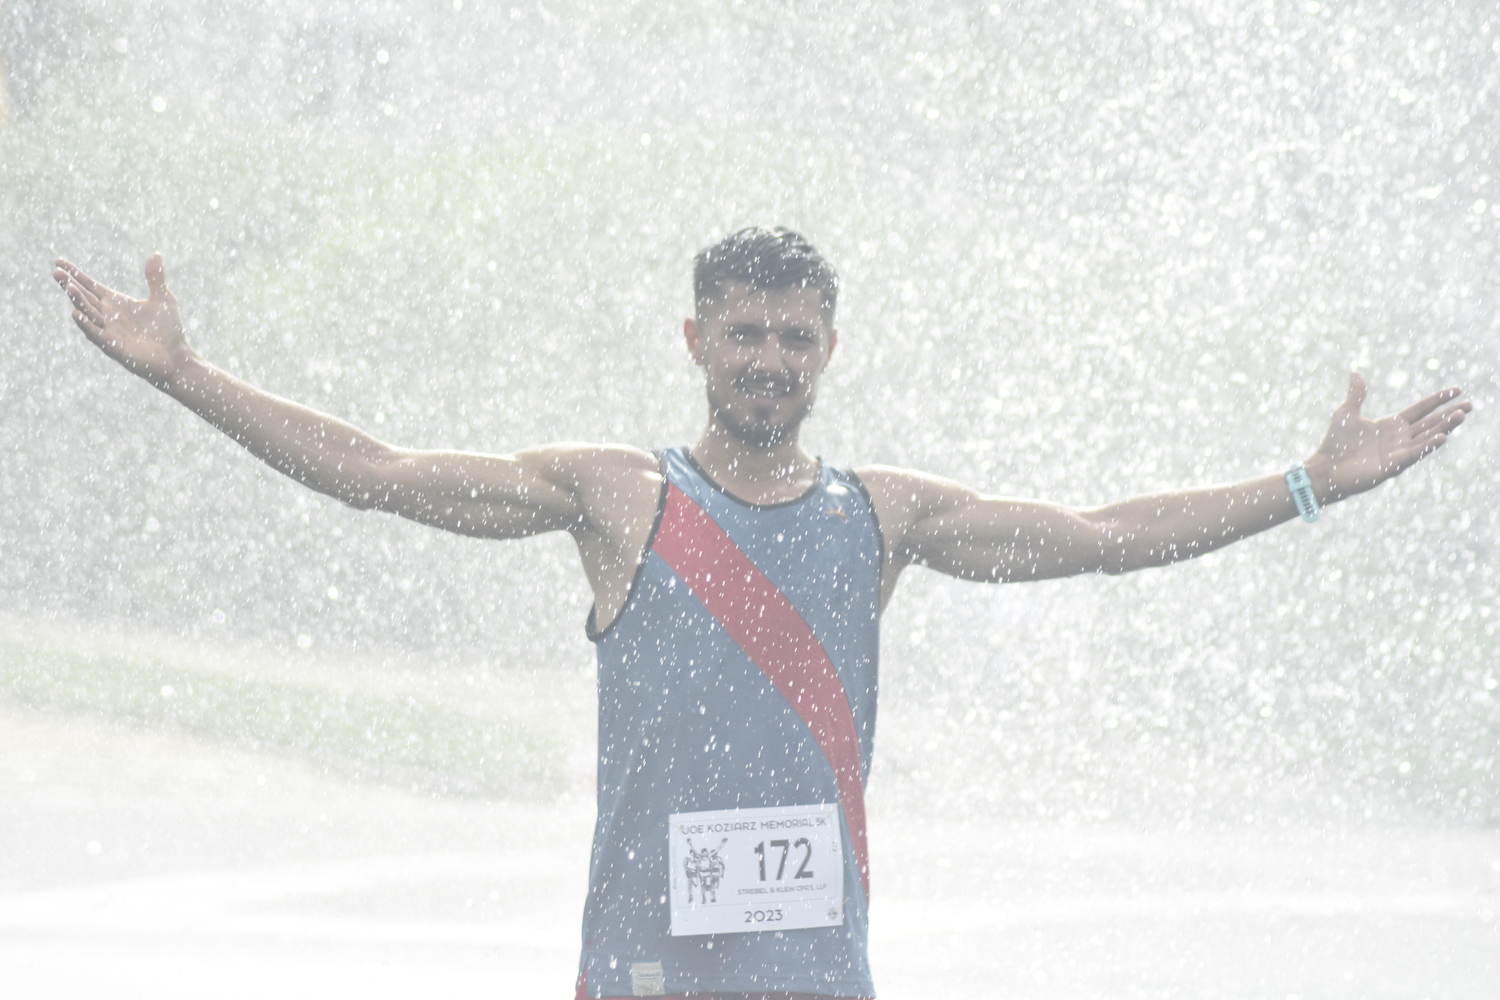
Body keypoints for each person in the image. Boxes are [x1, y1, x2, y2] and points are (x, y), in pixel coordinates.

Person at [52, 227, 1470, 999]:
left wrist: (1307, 485)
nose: (770, 360)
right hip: (648, 966)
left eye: (796, 336)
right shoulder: (620, 499)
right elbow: (377, 475)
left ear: (830, 349)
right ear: (695, 341)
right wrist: (185, 373)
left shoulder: (884, 515)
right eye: (744, 332)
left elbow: (1099, 539)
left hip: (815, 974)